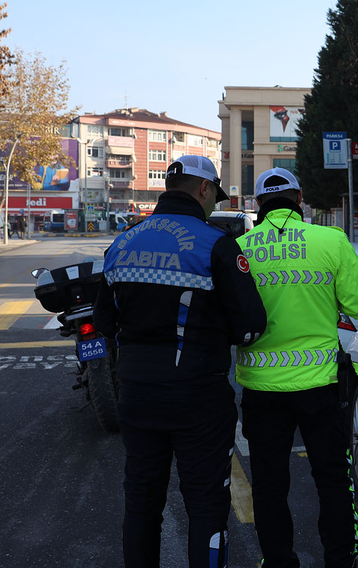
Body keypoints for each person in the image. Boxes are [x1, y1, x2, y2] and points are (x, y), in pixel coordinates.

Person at [93, 155, 267, 568]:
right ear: (204, 189)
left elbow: (103, 322)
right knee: (206, 506)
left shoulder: (123, 243)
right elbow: (250, 327)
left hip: (135, 393)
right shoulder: (215, 245)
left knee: (141, 501)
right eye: (213, 196)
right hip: (198, 397)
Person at [236, 167, 358, 568]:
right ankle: (341, 560)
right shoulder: (330, 240)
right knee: (332, 480)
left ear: (259, 204)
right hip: (321, 387)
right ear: (299, 199)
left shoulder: (240, 248)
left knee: (269, 485)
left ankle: (279, 562)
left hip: (261, 389)